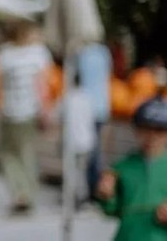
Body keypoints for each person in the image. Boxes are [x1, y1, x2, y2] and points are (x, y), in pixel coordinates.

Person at [0, 19, 52, 214]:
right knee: (27, 153)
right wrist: (45, 110)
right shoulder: (39, 53)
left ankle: (19, 193)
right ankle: (27, 194)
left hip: (9, 110)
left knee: (9, 154)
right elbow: (42, 85)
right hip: (30, 110)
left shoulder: (3, 54)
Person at [96, 97, 167, 240]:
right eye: (145, 129)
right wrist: (106, 195)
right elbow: (112, 210)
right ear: (136, 130)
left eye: (158, 131)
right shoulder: (122, 168)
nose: (151, 137)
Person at [75, 40, 113, 201]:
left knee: (88, 151)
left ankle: (90, 189)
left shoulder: (80, 52)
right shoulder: (104, 51)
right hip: (101, 106)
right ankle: (91, 188)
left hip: (86, 106)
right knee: (94, 150)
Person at [62, 71, 96, 207]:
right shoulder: (88, 98)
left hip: (72, 140)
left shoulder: (68, 98)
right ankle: (81, 196)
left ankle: (73, 196)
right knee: (81, 171)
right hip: (87, 140)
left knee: (71, 171)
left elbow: (59, 115)